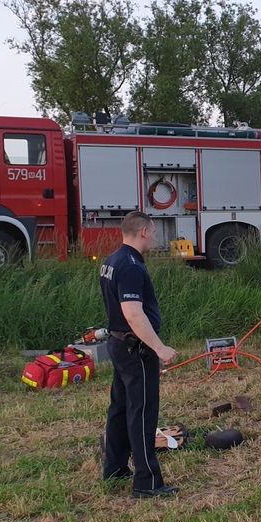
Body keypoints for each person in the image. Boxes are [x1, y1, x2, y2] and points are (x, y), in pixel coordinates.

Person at [99, 211, 179, 499]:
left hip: (119, 344)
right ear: (143, 231)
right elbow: (133, 313)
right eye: (154, 231)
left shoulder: (111, 261)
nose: (155, 236)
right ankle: (147, 482)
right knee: (142, 412)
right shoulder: (131, 266)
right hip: (136, 348)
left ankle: (115, 468)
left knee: (119, 408)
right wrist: (159, 348)